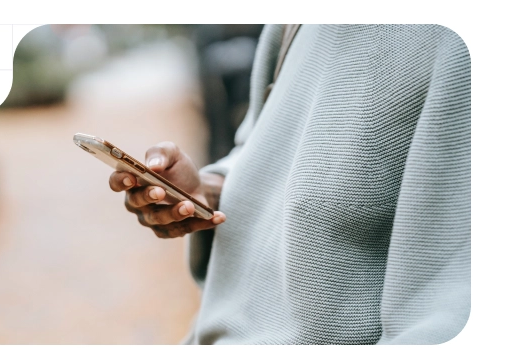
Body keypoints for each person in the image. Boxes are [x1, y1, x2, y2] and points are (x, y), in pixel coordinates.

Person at [107, 24, 470, 345]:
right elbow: (266, 148)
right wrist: (208, 190)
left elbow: (452, 304)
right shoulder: (292, 22)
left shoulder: (455, 41)